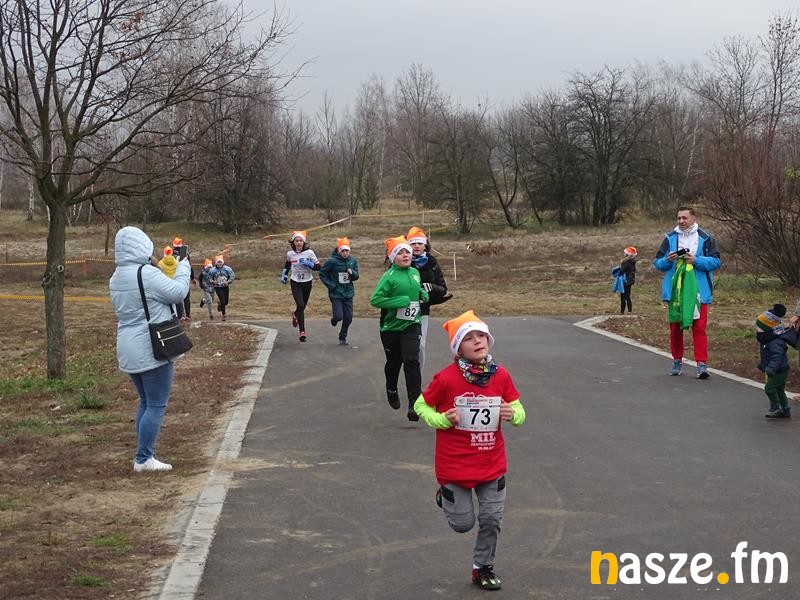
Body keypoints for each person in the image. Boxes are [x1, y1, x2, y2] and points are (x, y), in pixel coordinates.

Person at [413, 310, 525, 591]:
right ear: (458, 348)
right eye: (469, 338)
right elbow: (420, 405)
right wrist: (441, 419)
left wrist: (513, 414)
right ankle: (446, 496)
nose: (478, 341)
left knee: (491, 519)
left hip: (491, 464)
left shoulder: (501, 375)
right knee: (462, 524)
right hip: (455, 466)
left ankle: (482, 567)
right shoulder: (446, 378)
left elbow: (518, 408)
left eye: (482, 336)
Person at [109, 226, 191, 472]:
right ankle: (144, 458)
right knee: (156, 404)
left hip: (128, 345)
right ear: (141, 246)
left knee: (146, 402)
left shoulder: (116, 276)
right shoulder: (146, 274)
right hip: (152, 346)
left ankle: (144, 454)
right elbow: (178, 292)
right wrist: (184, 267)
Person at [653, 206, 721, 378]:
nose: (681, 221)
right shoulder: (670, 238)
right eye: (679, 218)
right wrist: (668, 260)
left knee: (699, 328)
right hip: (676, 291)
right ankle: (677, 360)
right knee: (675, 328)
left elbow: (716, 262)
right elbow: (658, 263)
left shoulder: (706, 238)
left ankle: (702, 365)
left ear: (693, 218)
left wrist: (696, 260)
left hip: (698, 291)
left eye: (685, 218)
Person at [370, 235, 429, 421]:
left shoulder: (415, 272)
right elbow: (375, 300)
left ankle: (414, 403)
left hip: (412, 324)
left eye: (407, 252)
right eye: (400, 252)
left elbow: (415, 289)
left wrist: (422, 294)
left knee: (412, 360)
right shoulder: (388, 277)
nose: (405, 255)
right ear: (392, 257)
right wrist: (398, 302)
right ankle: (391, 388)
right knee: (394, 363)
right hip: (391, 328)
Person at [407, 226, 451, 376]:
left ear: (425, 245)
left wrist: (431, 287)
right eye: (413, 243)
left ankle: (417, 378)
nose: (416, 246)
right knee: (405, 348)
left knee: (421, 346)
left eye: (419, 243)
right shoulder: (402, 261)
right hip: (402, 309)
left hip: (423, 310)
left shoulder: (432, 263)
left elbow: (443, 288)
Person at [756, 304, 798, 419]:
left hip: (779, 371)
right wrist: (763, 365)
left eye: (759, 329)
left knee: (769, 388)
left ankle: (775, 408)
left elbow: (777, 357)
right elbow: (767, 356)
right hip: (778, 369)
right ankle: (785, 409)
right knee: (779, 389)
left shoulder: (775, 342)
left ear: (769, 329)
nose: (757, 331)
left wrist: (771, 368)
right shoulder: (768, 340)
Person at [281, 230, 320, 343]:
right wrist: (284, 274)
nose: (298, 243)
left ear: (304, 242)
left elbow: (319, 267)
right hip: (295, 282)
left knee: (302, 306)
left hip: (307, 282)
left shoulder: (309, 253)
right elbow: (287, 264)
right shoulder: (290, 254)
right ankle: (302, 332)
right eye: (296, 241)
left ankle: (296, 314)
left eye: (300, 241)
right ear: (293, 242)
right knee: (300, 304)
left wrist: (310, 264)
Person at [319, 237, 359, 345]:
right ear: (339, 251)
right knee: (338, 316)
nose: (345, 253)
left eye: (347, 251)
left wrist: (352, 273)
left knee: (348, 318)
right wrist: (332, 286)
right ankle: (334, 319)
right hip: (336, 293)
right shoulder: (332, 261)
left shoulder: (352, 260)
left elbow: (356, 276)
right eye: (343, 251)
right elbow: (322, 274)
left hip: (348, 293)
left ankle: (343, 336)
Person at [171, 238, 196, 321]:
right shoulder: (186, 254)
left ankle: (180, 316)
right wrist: (192, 278)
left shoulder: (171, 254)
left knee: (177, 297)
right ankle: (187, 315)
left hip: (175, 276)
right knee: (186, 297)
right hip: (185, 277)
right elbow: (189, 267)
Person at [209, 255, 235, 321]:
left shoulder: (227, 269)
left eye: (220, 262)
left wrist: (228, 281)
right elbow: (209, 278)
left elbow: (232, 276)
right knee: (223, 300)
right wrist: (214, 282)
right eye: (218, 262)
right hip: (218, 287)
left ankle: (220, 304)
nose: (219, 264)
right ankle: (224, 315)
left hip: (225, 286)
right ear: (216, 263)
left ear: (223, 262)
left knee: (226, 302)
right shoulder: (212, 270)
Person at [618, 246, 637, 314]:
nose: (624, 254)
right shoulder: (632, 262)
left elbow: (621, 271)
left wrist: (619, 269)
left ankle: (622, 311)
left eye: (625, 253)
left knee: (623, 296)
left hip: (625, 281)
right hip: (630, 280)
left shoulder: (626, 262)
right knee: (628, 296)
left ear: (627, 254)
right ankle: (629, 311)